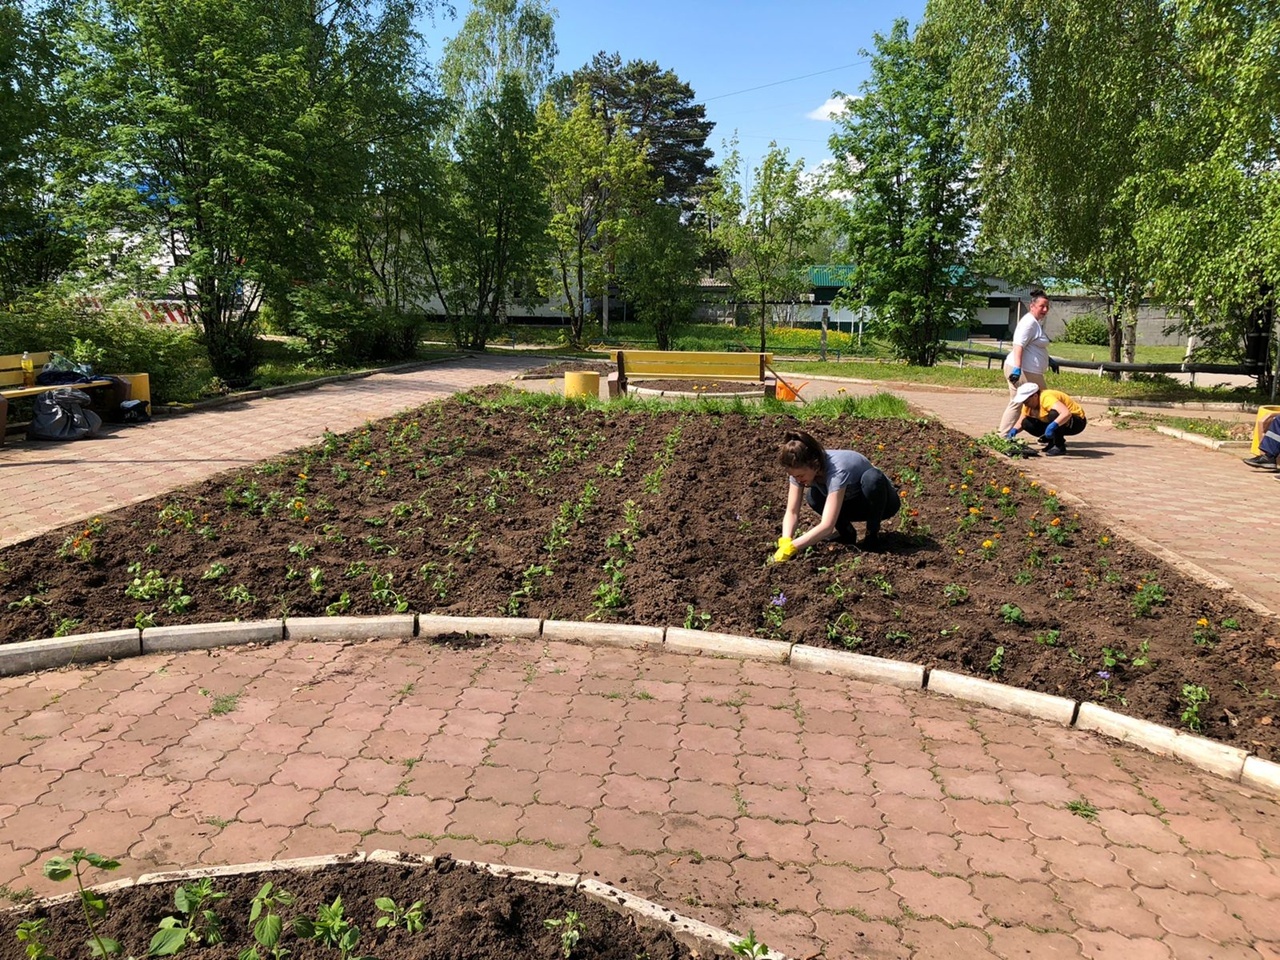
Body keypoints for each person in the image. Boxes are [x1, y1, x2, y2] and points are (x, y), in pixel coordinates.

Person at [772, 429, 900, 561]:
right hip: (850, 501)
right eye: (794, 476)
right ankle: (847, 534)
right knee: (813, 496)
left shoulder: (837, 470)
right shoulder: (799, 470)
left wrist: (794, 546)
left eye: (800, 476)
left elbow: (827, 525)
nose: (797, 480)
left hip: (882, 504)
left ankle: (872, 536)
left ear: (815, 465)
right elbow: (792, 511)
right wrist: (786, 540)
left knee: (873, 478)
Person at [999, 290, 1057, 435]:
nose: (1045, 310)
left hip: (1026, 369)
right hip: (1025, 371)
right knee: (1044, 401)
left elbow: (1032, 345)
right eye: (1041, 306)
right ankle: (1048, 435)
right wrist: (1017, 369)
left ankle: (1004, 434)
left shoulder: (1034, 323)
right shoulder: (1029, 323)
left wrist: (1048, 360)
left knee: (1017, 402)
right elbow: (1018, 345)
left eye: (1047, 307)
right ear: (1032, 306)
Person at [1006, 382, 1087, 456]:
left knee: (1054, 414)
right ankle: (1052, 443)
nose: (1025, 405)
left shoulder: (1046, 398)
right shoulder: (1028, 404)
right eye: (1024, 402)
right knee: (1026, 422)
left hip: (1076, 422)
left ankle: (1059, 446)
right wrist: (1014, 431)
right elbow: (1021, 421)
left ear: (1035, 396)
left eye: (1026, 402)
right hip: (1061, 422)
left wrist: (1052, 426)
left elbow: (1066, 413)